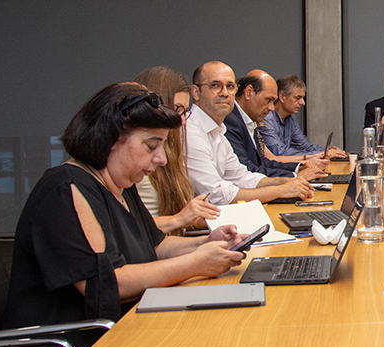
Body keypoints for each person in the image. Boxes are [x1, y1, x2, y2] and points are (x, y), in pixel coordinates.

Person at [0, 82, 248, 347]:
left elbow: (154, 247)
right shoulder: (66, 190)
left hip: (114, 337)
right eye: (151, 146)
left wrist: (206, 243)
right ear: (112, 140)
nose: (162, 159)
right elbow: (106, 284)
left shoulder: (120, 184)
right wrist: (196, 264)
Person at [186, 61, 315, 204]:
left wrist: (289, 181)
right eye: (215, 86)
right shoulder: (190, 132)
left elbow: (241, 177)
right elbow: (216, 195)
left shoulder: (218, 132)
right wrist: (281, 190)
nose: (225, 93)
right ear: (196, 93)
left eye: (230, 87)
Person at [132, 66, 220, 235]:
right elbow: (128, 231)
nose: (183, 121)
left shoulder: (170, 151)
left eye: (184, 112)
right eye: (177, 109)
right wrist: (180, 219)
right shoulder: (135, 159)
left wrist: (205, 218)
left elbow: (176, 220)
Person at [223, 69, 326, 179]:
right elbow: (248, 170)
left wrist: (299, 167)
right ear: (249, 92)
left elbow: (263, 163)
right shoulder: (230, 120)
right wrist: (295, 175)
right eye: (268, 100)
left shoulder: (248, 119)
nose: (272, 108)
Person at [261, 75, 347, 160]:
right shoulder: (266, 118)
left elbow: (304, 145)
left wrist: (328, 151)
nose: (302, 103)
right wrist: (323, 154)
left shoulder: (290, 117)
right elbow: (279, 153)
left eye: (302, 98)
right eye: (297, 98)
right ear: (282, 97)